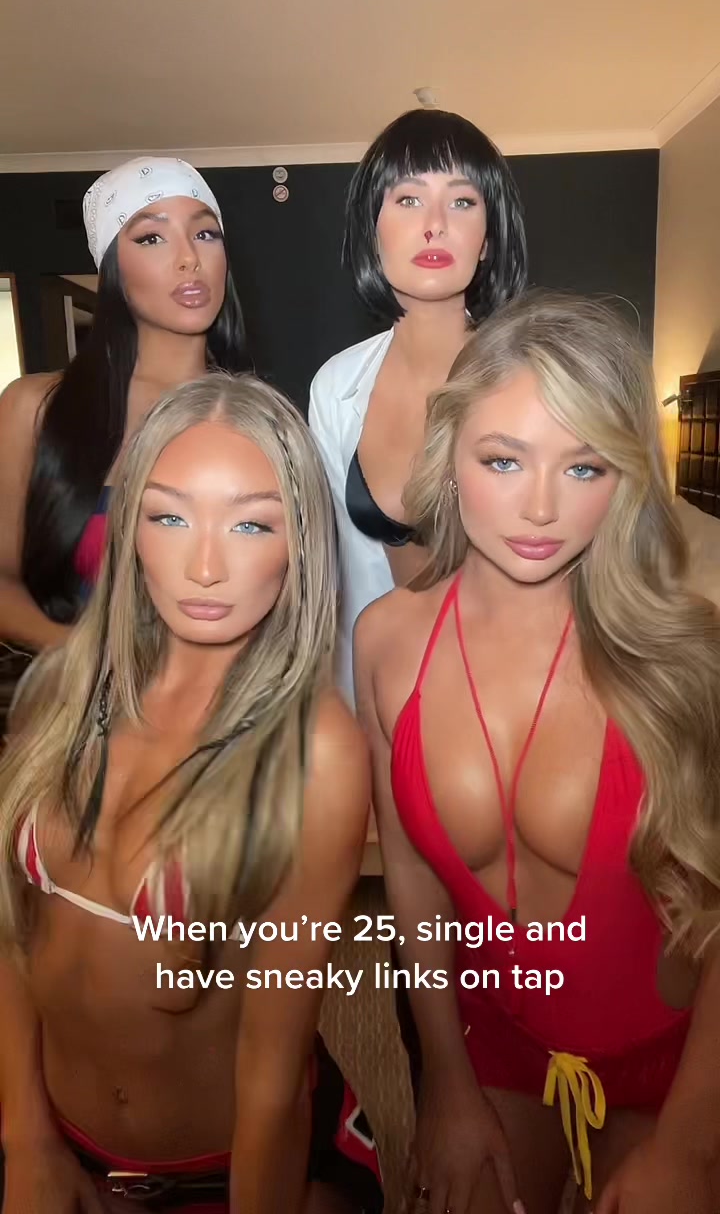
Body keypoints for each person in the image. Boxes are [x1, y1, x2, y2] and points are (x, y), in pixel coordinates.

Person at [354, 290, 720, 1214]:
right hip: (497, 1046)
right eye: (504, 459)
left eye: (584, 465)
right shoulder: (386, 640)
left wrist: (688, 1143)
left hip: (673, 1065)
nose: (543, 507)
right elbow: (412, 876)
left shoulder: (686, 654)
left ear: (623, 477)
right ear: (449, 455)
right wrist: (444, 1076)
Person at [0, 372, 383, 1214]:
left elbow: (273, 1073)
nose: (205, 566)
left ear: (298, 543)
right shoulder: (57, 695)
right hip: (53, 1144)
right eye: (170, 517)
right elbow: (16, 937)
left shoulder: (313, 752)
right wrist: (26, 1143)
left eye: (251, 523)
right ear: (127, 527)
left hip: (222, 1174)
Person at [0, 156, 250, 733]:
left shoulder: (254, 423)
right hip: (75, 725)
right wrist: (83, 656)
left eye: (205, 233)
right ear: (112, 265)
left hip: (221, 727)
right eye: (152, 237)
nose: (188, 258)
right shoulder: (35, 408)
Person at [309, 107, 528, 707]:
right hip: (371, 703)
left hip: (500, 708)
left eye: (462, 201)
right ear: (372, 228)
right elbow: (328, 572)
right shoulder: (335, 387)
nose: (435, 225)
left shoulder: (531, 381)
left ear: (488, 238)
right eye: (408, 199)